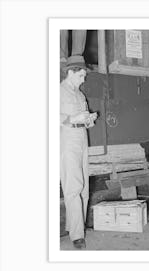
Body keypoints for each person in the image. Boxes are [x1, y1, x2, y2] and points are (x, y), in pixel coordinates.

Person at [60, 55, 97, 249]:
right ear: (70, 72)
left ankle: (76, 225)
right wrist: (72, 118)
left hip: (82, 138)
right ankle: (76, 235)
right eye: (81, 75)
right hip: (67, 140)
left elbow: (83, 118)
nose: (84, 80)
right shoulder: (57, 91)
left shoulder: (80, 95)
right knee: (73, 186)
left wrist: (89, 119)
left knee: (83, 187)